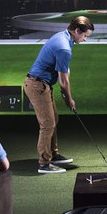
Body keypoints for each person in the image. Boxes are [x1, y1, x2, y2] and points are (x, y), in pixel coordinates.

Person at [24, 16, 94, 174]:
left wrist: (67, 96)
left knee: (53, 119)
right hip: (36, 85)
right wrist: (69, 99)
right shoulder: (64, 47)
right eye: (85, 36)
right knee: (47, 124)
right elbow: (64, 82)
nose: (85, 40)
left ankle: (53, 154)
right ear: (76, 31)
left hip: (43, 84)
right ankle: (44, 164)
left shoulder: (63, 36)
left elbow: (64, 73)